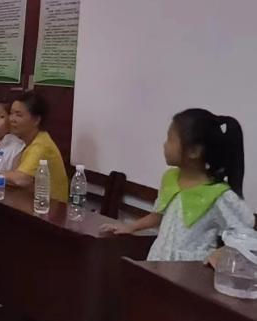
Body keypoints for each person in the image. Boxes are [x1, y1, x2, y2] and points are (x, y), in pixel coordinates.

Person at [101, 109, 251, 262]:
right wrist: (130, 227)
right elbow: (158, 215)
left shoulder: (218, 194)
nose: (164, 145)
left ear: (194, 151)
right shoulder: (170, 178)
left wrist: (220, 254)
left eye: (170, 140)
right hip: (159, 260)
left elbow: (245, 234)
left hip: (189, 269)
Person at [4, 92, 68, 201]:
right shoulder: (29, 142)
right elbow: (14, 174)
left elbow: (21, 179)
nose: (12, 119)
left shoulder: (41, 145)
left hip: (50, 207)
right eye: (11, 113)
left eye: (18, 115)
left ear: (36, 120)